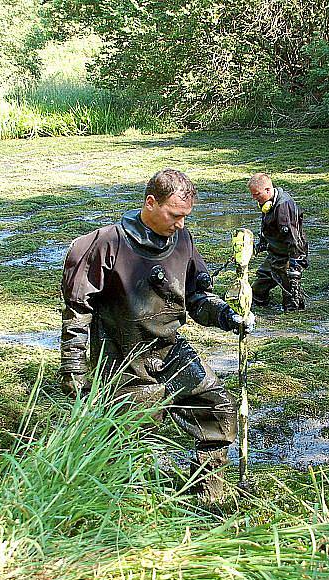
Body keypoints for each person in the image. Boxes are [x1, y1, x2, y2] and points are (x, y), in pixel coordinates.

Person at [60, 168, 255, 501]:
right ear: (150, 203)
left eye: (185, 217)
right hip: (122, 359)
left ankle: (209, 494)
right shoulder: (104, 244)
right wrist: (74, 369)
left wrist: (227, 316)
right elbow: (78, 312)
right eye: (174, 215)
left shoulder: (183, 241)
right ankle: (126, 504)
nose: (180, 224)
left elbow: (196, 298)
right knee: (132, 434)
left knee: (217, 407)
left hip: (169, 350)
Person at [248, 173, 308, 312]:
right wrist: (261, 244)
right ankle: (260, 303)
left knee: (291, 300)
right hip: (275, 252)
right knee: (257, 290)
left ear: (268, 190)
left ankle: (293, 314)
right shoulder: (267, 203)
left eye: (256, 194)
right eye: (252, 195)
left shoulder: (283, 206)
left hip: (288, 254)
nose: (254, 198)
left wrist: (295, 269)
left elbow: (294, 239)